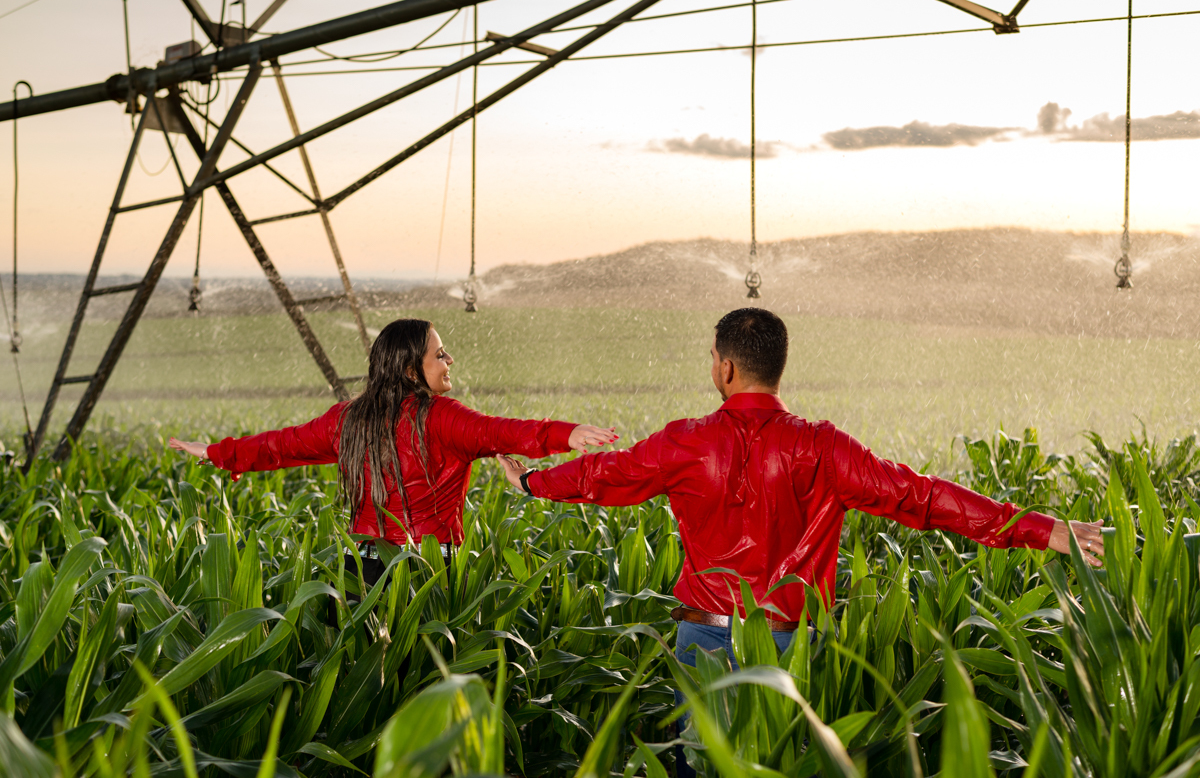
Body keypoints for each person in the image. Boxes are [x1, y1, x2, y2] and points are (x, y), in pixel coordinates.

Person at [497, 307, 1104, 778]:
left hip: (703, 638)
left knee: (697, 767)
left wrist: (530, 478)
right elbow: (920, 496)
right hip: (794, 647)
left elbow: (606, 474)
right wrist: (1041, 529)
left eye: (712, 357)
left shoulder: (684, 442)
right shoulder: (821, 445)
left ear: (726, 368)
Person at [170, 317, 618, 594]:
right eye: (440, 354)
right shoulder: (441, 418)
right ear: (410, 370)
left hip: (359, 569)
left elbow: (280, 446)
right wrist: (568, 434)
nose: (450, 360)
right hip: (424, 572)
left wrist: (215, 452)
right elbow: (502, 431)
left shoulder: (347, 419)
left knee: (362, 688)